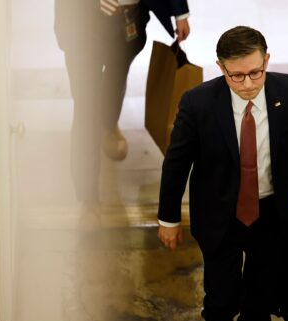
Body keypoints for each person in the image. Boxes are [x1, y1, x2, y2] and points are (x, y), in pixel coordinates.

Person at [157, 26, 288, 321]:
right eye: (236, 76)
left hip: (271, 211)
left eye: (255, 73)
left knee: (262, 295)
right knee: (222, 297)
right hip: (220, 214)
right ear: (221, 67)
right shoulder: (198, 104)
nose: (247, 84)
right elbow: (176, 164)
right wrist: (168, 218)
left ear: (267, 61)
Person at [54, 0, 190, 229]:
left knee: (115, 80)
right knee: (86, 107)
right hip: (82, 21)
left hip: (129, 19)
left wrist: (179, 11)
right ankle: (88, 198)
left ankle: (107, 124)